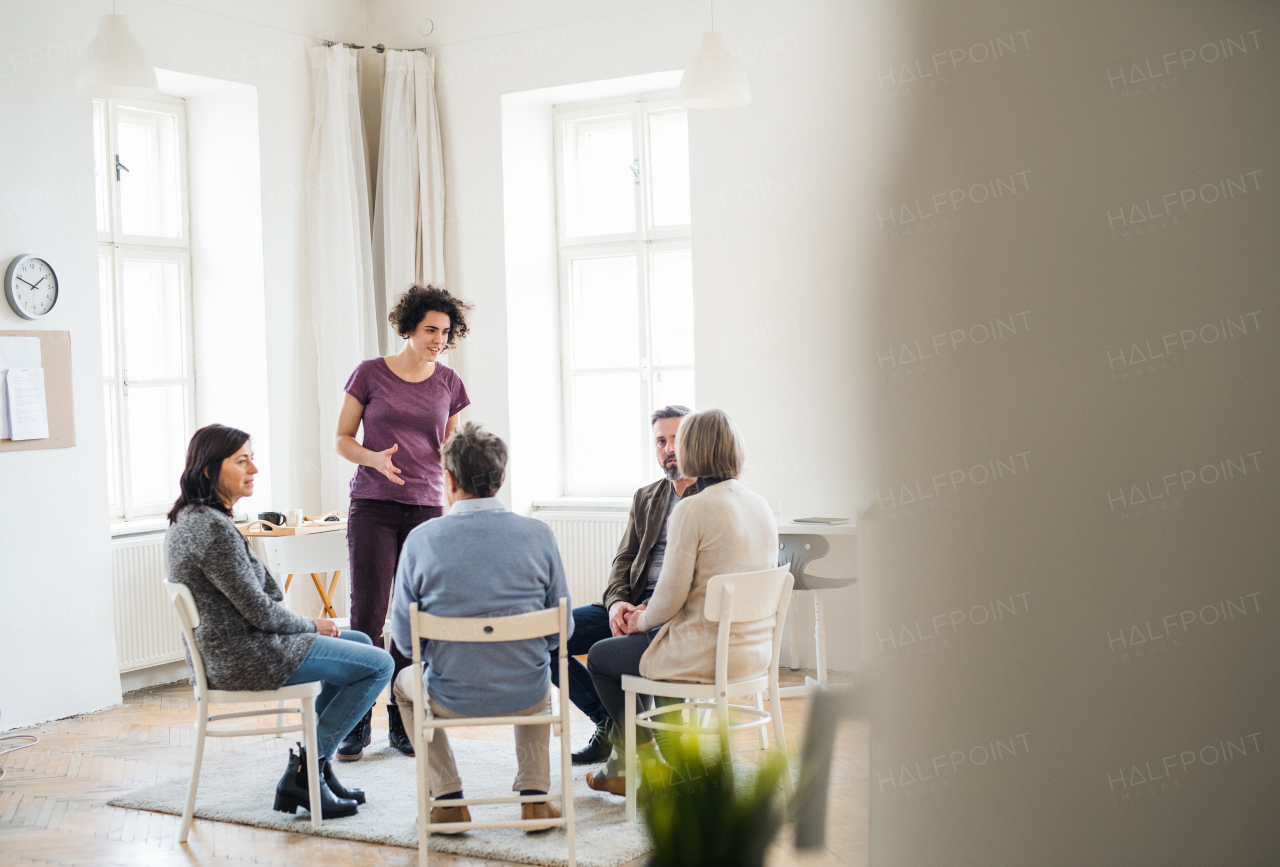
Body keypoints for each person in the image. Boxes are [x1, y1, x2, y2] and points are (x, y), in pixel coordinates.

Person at [165, 424, 393, 818]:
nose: (254, 468)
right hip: (246, 655)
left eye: (253, 458)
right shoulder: (211, 529)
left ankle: (316, 769)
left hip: (239, 648)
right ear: (209, 471)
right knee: (380, 665)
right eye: (242, 461)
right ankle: (307, 770)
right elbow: (259, 610)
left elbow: (255, 604)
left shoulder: (194, 518)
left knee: (360, 641)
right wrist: (312, 624)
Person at [585, 409, 779, 795]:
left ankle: (645, 760)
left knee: (602, 658)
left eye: (681, 440)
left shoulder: (693, 508)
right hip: (752, 654)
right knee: (633, 647)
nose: (674, 448)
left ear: (694, 447)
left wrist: (637, 621)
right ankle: (650, 762)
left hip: (700, 651)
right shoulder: (759, 504)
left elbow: (669, 599)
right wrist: (639, 612)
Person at [390, 422, 573, 832]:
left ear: (449, 479)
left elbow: (404, 639)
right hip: (525, 692)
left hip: (448, 696)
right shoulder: (539, 535)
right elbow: (562, 632)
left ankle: (449, 799)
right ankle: (536, 800)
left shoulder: (420, 541)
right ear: (501, 477)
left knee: (403, 687)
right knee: (535, 671)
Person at [334, 285, 472, 759]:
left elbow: (452, 448)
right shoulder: (370, 374)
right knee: (368, 615)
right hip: (373, 504)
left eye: (446, 332)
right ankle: (354, 719)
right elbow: (341, 439)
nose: (438, 339)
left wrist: (458, 492)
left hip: (428, 507)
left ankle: (401, 713)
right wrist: (374, 458)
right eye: (430, 330)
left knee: (412, 617)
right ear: (408, 327)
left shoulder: (450, 383)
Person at [550, 405, 695, 765]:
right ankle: (608, 722)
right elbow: (623, 560)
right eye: (661, 441)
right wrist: (616, 604)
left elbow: (702, 578)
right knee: (548, 636)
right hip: (629, 604)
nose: (669, 449)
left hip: (672, 614)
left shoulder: (708, 500)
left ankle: (633, 739)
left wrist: (654, 609)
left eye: (676, 439)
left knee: (617, 658)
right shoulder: (646, 497)